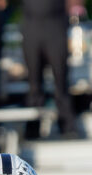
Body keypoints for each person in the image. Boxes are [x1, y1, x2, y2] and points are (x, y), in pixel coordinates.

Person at [21, 0, 77, 137]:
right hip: (31, 25)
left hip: (56, 25)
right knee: (34, 83)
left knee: (61, 80)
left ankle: (67, 126)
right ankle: (33, 128)